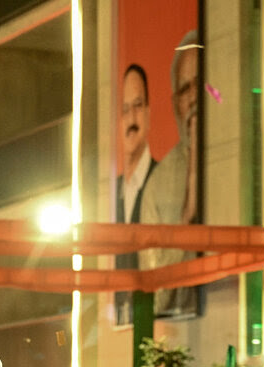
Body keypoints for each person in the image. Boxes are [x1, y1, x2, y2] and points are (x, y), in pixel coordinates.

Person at [138, 29, 200, 318]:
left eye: (200, 84)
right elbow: (155, 297)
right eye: (185, 89)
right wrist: (185, 223)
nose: (194, 98)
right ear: (176, 103)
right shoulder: (157, 185)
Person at [115, 62, 157, 281]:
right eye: (125, 109)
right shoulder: (111, 194)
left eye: (138, 106)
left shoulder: (164, 180)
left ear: (148, 113)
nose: (131, 118)